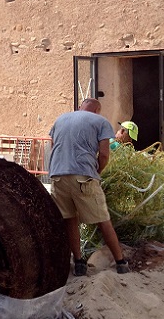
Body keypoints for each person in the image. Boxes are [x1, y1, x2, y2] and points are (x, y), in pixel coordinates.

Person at [48, 98, 130, 276]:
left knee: (70, 219)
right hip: (83, 176)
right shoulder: (100, 122)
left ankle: (78, 263)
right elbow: (105, 155)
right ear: (97, 110)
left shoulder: (60, 119)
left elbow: (53, 146)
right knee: (103, 220)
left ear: (80, 108)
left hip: (57, 176)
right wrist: (96, 172)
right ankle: (121, 263)